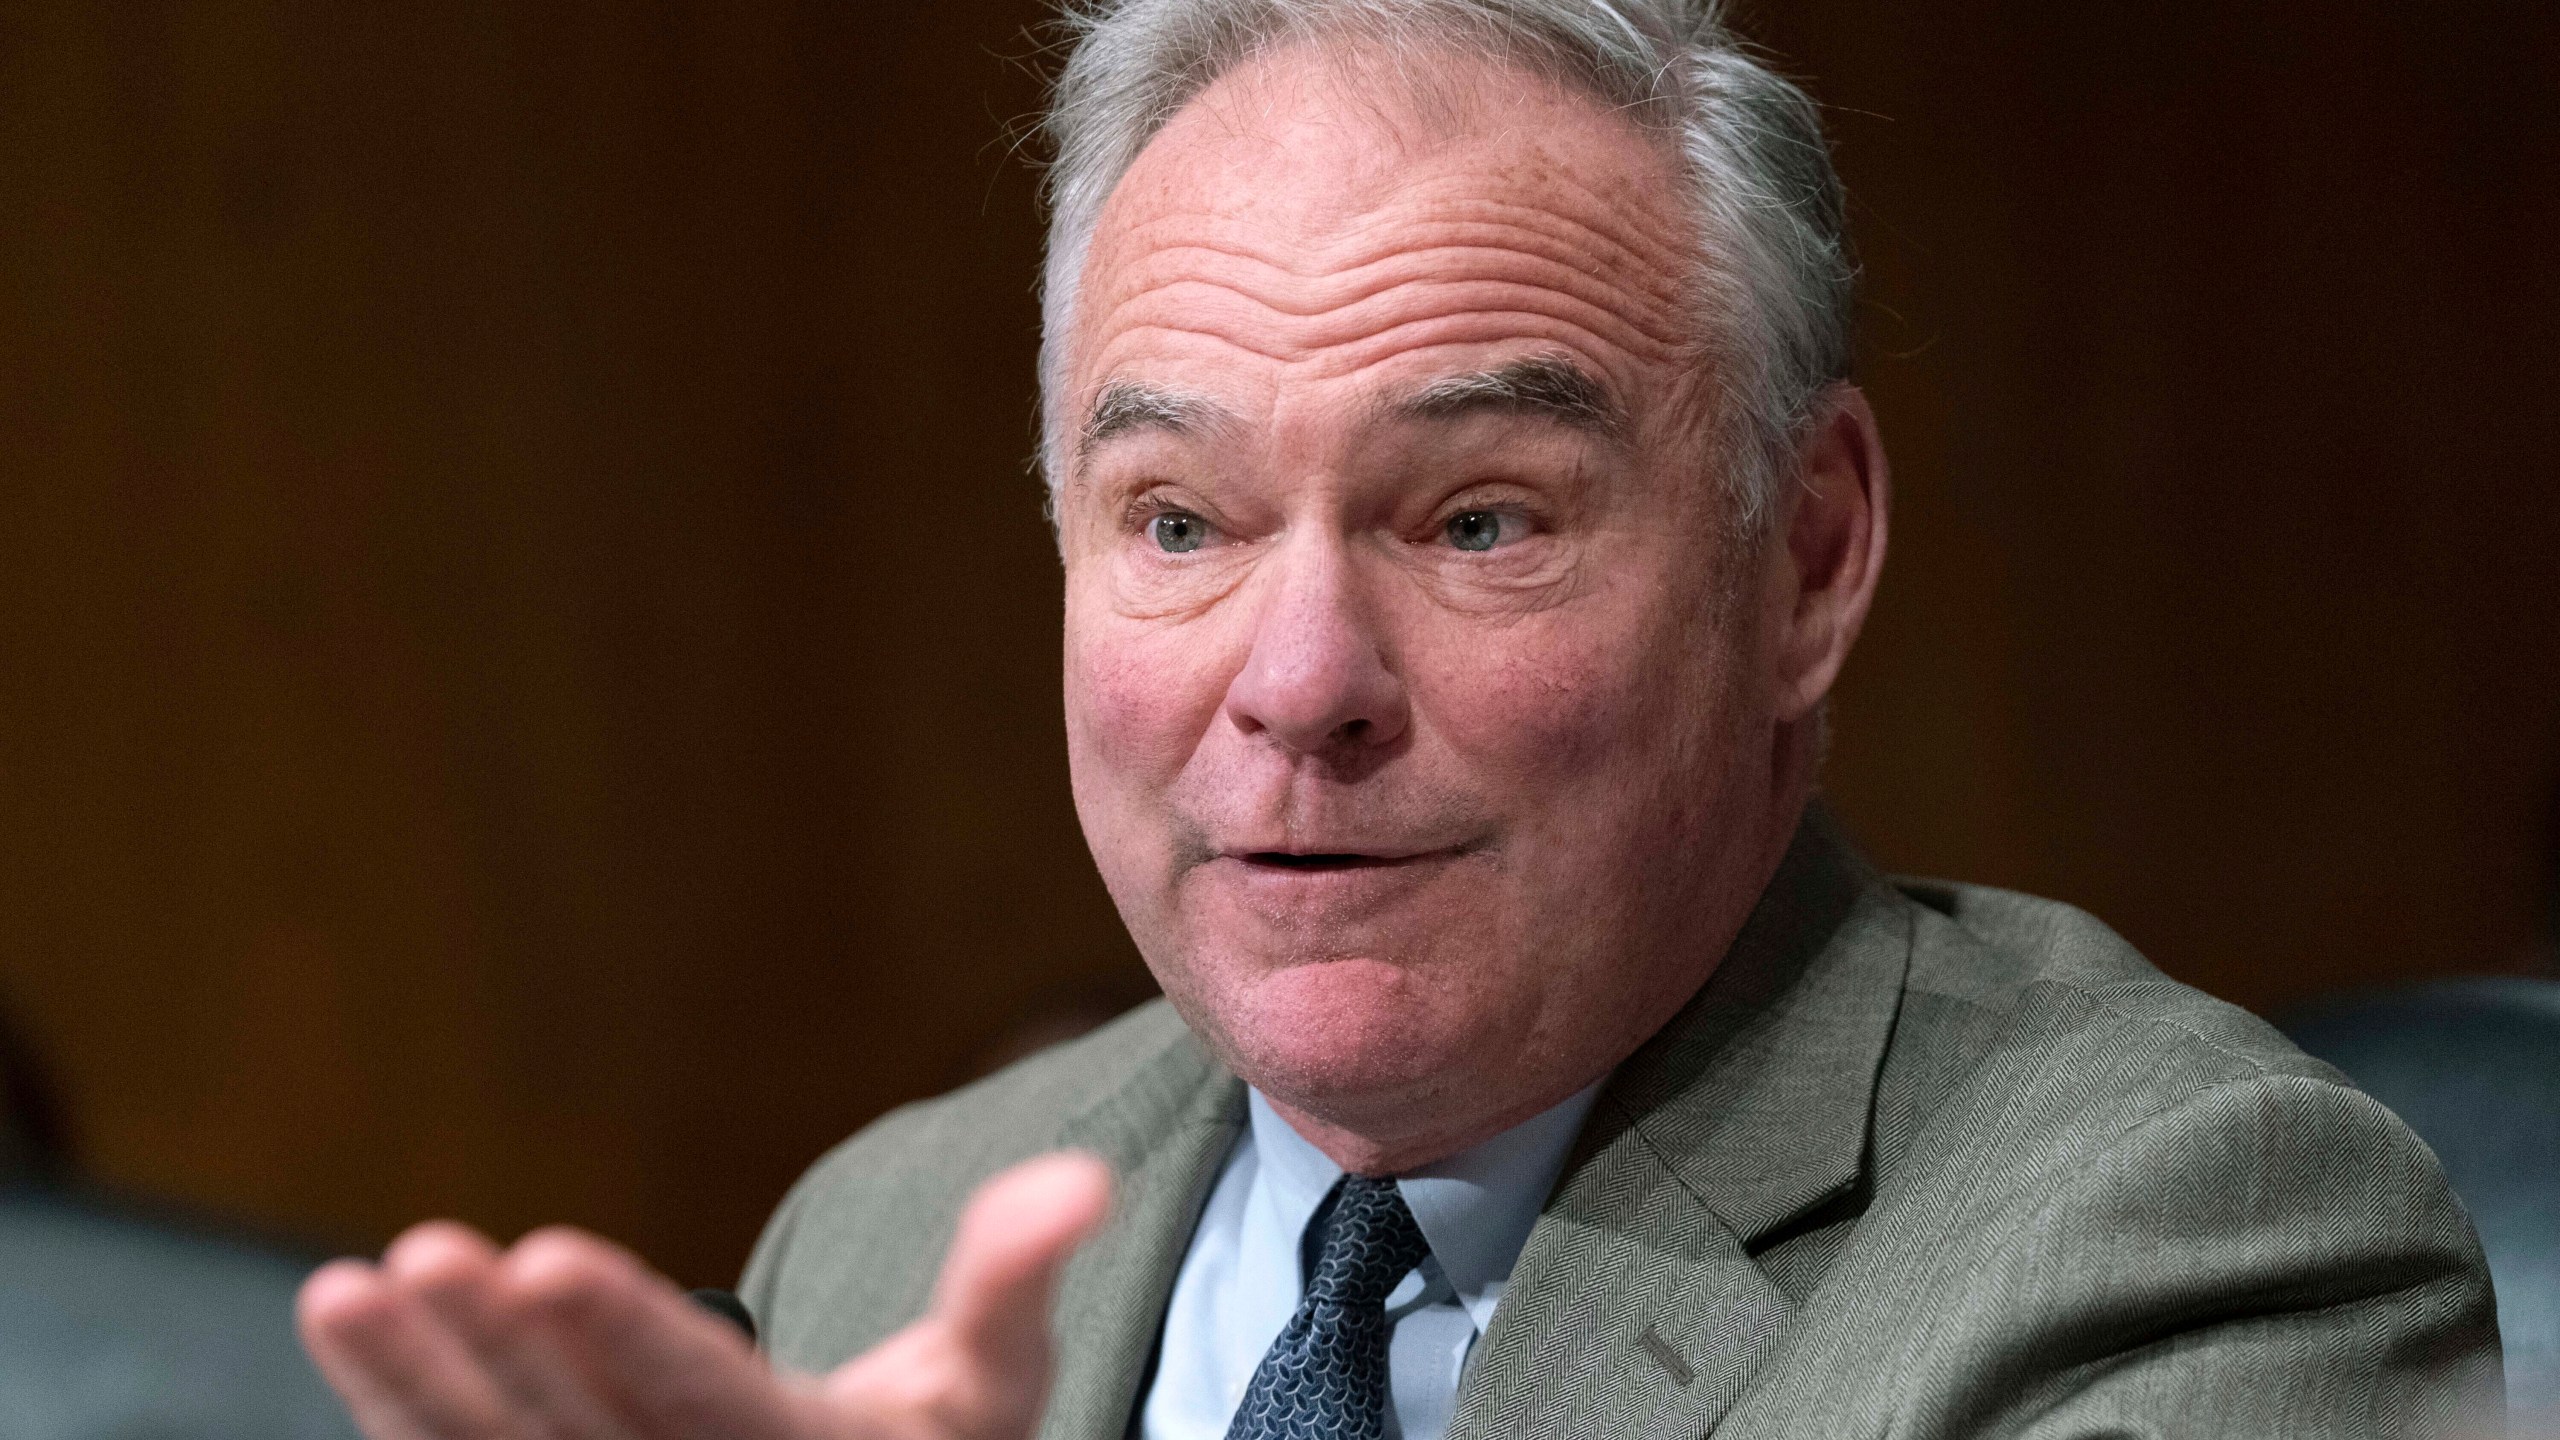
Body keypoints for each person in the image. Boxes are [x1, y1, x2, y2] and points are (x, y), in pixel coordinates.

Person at [295, 2, 2505, 1436]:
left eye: (1474, 522)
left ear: (1805, 558)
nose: (1297, 685)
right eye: (1175, 521)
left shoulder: (2188, 1249)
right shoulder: (894, 1226)